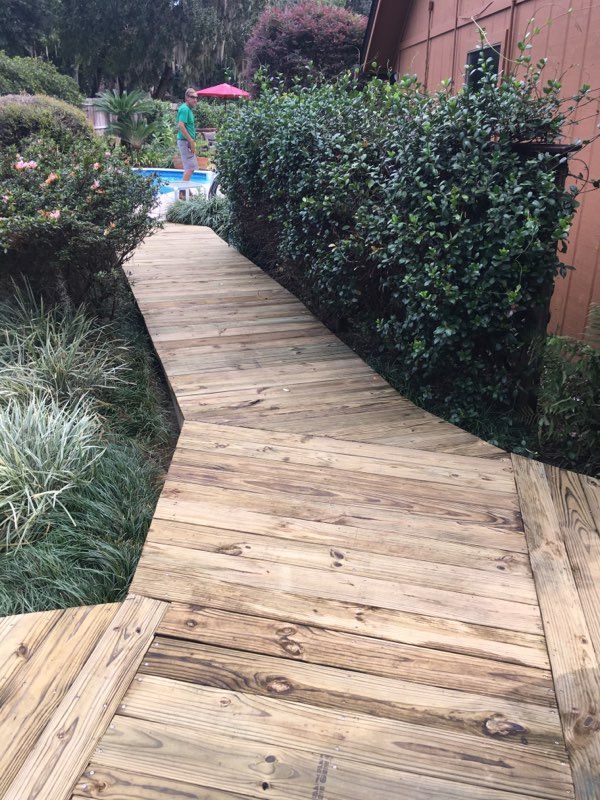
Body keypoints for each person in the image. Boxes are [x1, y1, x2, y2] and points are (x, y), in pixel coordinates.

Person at [176, 88, 199, 184]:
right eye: (193, 97)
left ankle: (185, 191)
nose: (195, 100)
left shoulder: (187, 109)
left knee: (189, 168)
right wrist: (190, 141)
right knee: (190, 168)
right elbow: (181, 125)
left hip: (186, 142)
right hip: (185, 142)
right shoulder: (185, 109)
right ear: (187, 98)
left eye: (196, 97)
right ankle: (182, 192)